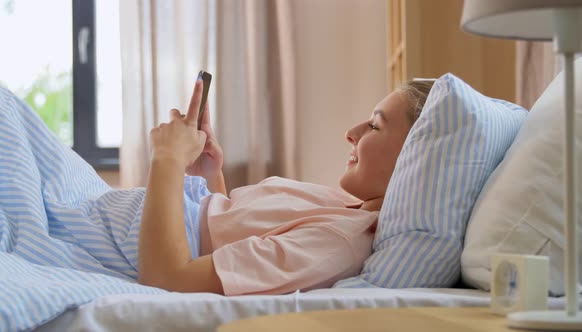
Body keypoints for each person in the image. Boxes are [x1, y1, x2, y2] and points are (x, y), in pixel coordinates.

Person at [138, 76, 433, 295]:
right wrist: (210, 176)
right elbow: (227, 234)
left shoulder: (337, 244)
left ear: (414, 158)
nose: (351, 133)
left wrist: (167, 157)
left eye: (374, 126)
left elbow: (168, 279)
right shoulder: (342, 207)